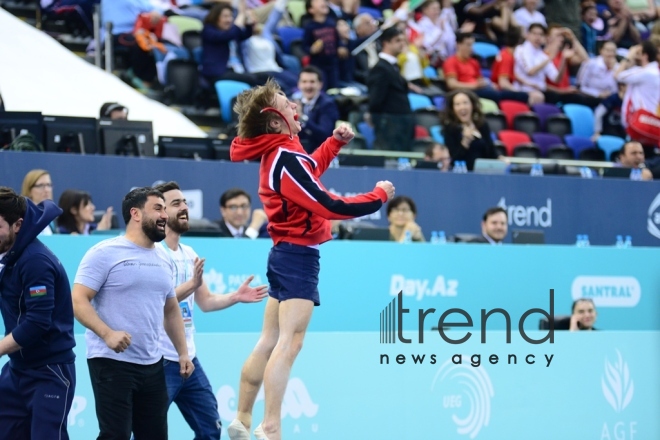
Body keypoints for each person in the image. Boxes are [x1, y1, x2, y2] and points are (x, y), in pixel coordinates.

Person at [227, 79, 395, 440]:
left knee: (269, 340)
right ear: (274, 120)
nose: (292, 103)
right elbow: (327, 204)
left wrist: (334, 144)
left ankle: (241, 417)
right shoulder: (284, 157)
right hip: (298, 256)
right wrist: (378, 196)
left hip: (284, 253)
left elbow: (308, 173)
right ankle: (270, 425)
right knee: (290, 343)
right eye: (284, 100)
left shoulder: (282, 152)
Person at [72, 187, 194, 439]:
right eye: (158, 208)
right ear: (135, 213)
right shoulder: (104, 253)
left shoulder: (163, 258)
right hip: (111, 362)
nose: (164, 215)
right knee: (115, 435)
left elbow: (170, 309)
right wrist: (107, 334)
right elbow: (77, 300)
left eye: (164, 208)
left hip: (152, 364)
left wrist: (183, 352)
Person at [153, 181, 268, 440]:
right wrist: (191, 284)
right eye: (175, 204)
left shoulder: (190, 252)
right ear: (161, 212)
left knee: (210, 430)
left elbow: (205, 302)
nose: (184, 208)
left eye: (184, 202)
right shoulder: (153, 253)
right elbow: (158, 303)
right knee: (150, 431)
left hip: (189, 361)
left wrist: (235, 297)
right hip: (159, 360)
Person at [0, 187, 76, 439]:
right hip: (17, 369)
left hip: (49, 372)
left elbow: (37, 322)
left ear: (17, 225)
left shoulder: (35, 261)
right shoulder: (9, 254)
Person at [367, 26, 415, 151]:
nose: (402, 44)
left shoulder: (393, 66)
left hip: (400, 125)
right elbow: (376, 99)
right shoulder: (381, 68)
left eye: (403, 40)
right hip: (389, 126)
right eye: (397, 40)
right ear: (386, 43)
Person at [614, 42, 660, 145]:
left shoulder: (648, 72)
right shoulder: (651, 71)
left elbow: (617, 75)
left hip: (640, 121)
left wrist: (628, 57)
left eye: (638, 53)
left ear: (645, 55)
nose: (635, 55)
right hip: (646, 120)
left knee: (636, 154)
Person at [441, 89, 498, 171]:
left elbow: (491, 152)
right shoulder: (450, 129)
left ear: (472, 105)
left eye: (465, 103)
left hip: (483, 173)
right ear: (453, 109)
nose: (462, 107)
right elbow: (454, 158)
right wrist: (465, 141)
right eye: (457, 104)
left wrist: (500, 160)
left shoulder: (482, 125)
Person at [295, 65, 340, 153]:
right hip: (298, 154)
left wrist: (302, 117)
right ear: (299, 84)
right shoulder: (294, 103)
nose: (308, 86)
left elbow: (324, 134)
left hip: (321, 154)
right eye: (304, 82)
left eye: (312, 82)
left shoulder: (327, 105)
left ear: (320, 84)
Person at [21, 169, 55, 236]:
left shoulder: (52, 218)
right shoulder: (23, 217)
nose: (46, 190)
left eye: (48, 185)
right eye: (40, 185)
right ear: (29, 190)